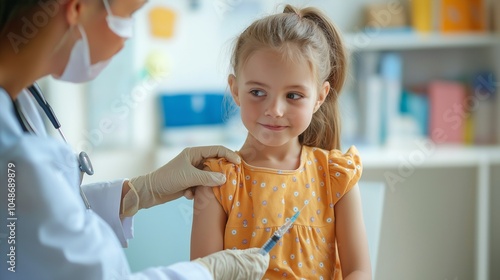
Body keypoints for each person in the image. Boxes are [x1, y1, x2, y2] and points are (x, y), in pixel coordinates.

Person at [0, 0, 269, 279]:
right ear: (77, 7)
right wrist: (208, 272)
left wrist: (139, 192)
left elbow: (36, 221)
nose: (126, 38)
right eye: (129, 15)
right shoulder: (12, 153)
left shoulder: (22, 101)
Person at [190, 4, 372, 280]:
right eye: (258, 92)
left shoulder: (336, 176)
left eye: (293, 96)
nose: (274, 109)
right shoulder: (217, 181)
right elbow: (202, 274)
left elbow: (359, 271)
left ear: (320, 97)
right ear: (235, 90)